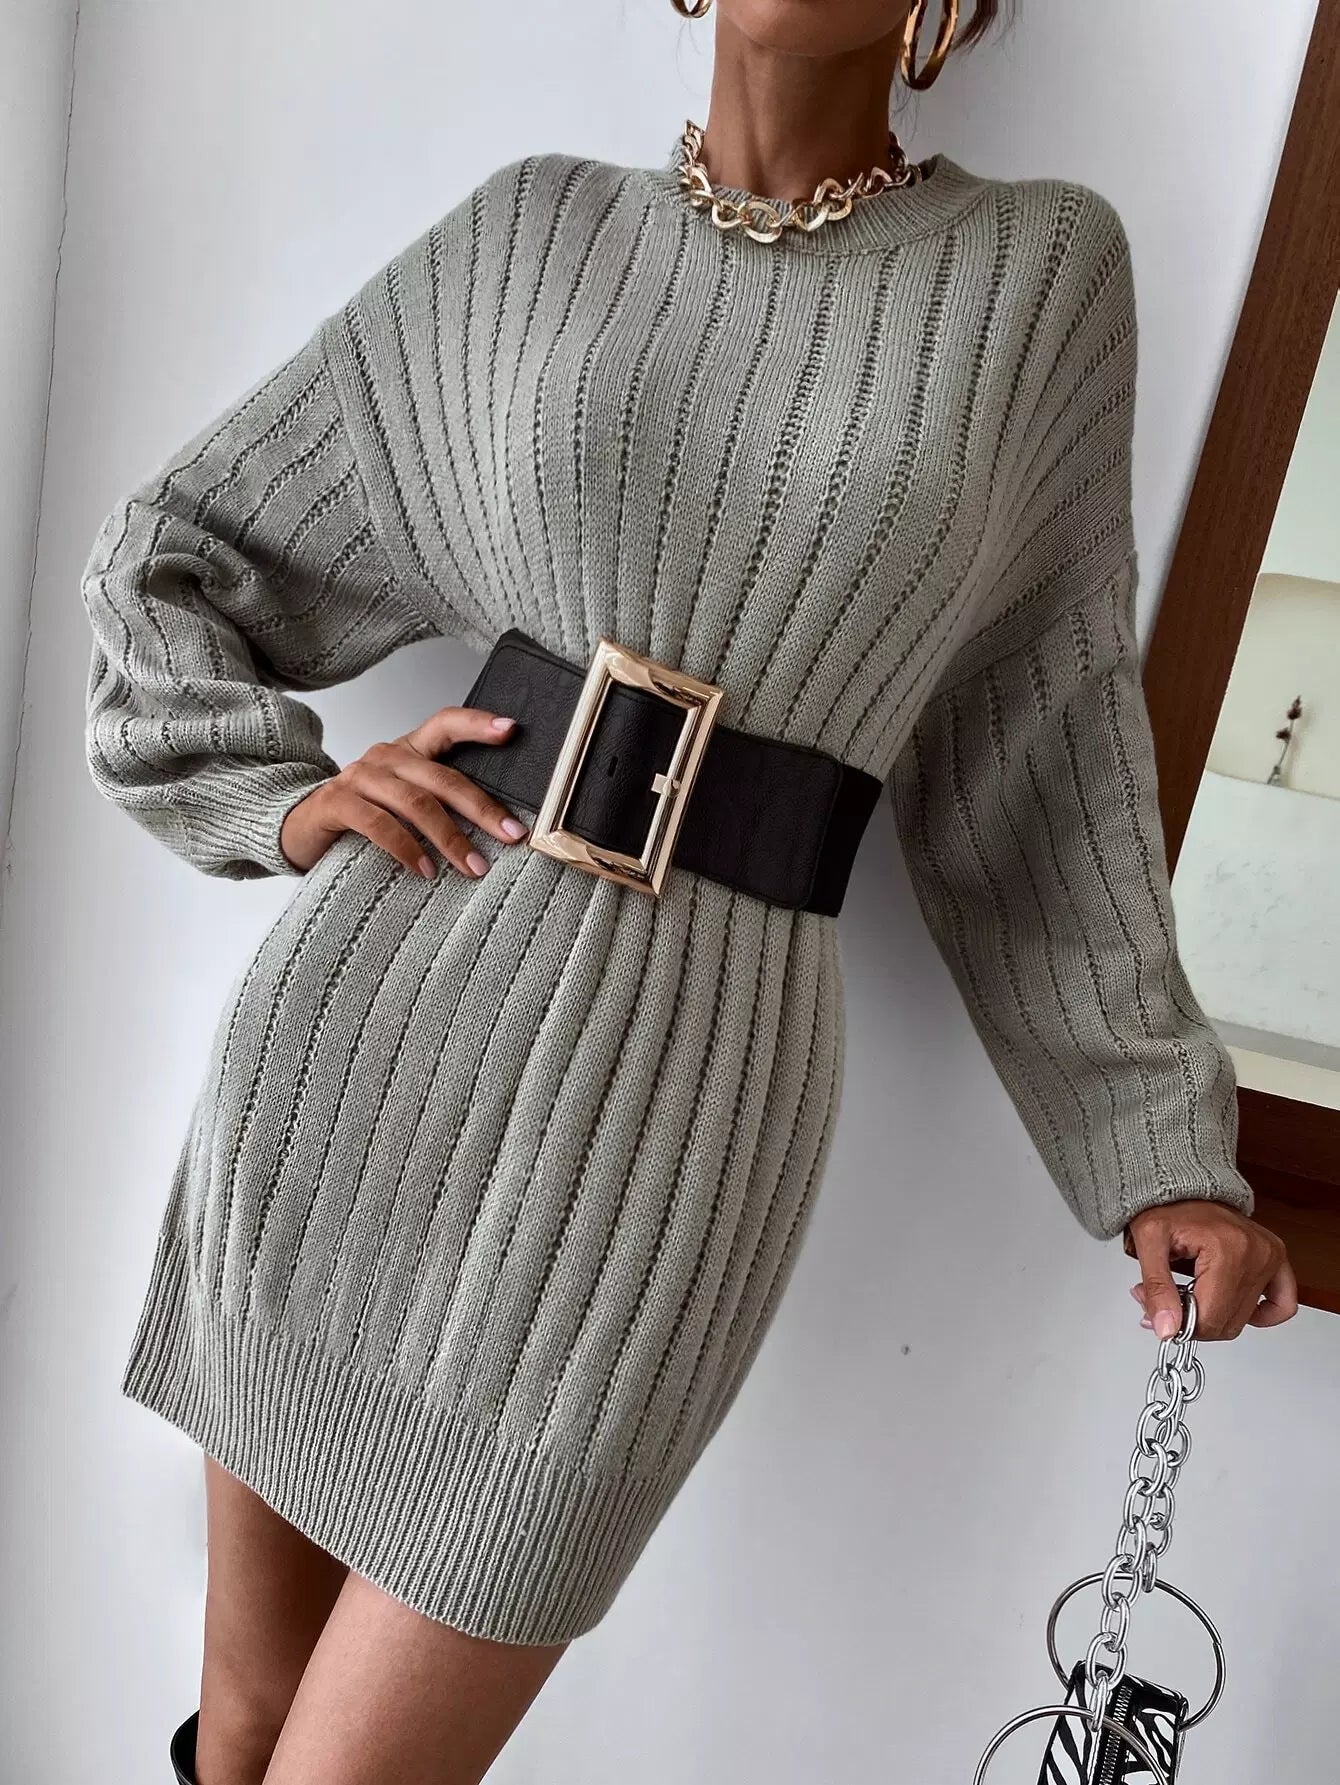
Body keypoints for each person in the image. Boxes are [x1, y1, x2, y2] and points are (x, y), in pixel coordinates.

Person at [80, 3, 1298, 1781]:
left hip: (668, 1143)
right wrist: (278, 799)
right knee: (247, 1727)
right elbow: (180, 553)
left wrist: (1159, 1148)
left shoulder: (1036, 276)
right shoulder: (532, 230)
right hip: (362, 1057)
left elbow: (1043, 754)